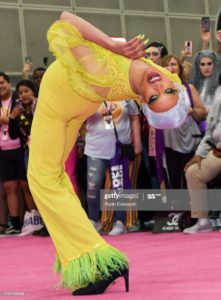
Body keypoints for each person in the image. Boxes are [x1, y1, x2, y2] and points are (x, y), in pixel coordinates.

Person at [27, 11, 190, 295]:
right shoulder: (158, 72)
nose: (157, 86)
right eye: (166, 90)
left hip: (58, 109)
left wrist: (112, 45)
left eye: (153, 98)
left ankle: (95, 255)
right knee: (55, 180)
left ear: (141, 101)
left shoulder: (104, 77)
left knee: (42, 179)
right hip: (73, 106)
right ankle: (87, 262)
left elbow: (66, 23)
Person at [162, 54, 206, 189]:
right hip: (169, 139)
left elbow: (203, 113)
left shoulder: (189, 88)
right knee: (173, 176)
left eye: (174, 64)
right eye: (166, 65)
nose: (170, 68)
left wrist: (192, 111)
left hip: (189, 138)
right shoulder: (157, 91)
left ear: (180, 68)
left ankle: (194, 207)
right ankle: (178, 207)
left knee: (190, 175)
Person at [183, 97, 221, 234]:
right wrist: (198, 155)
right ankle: (203, 221)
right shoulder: (218, 103)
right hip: (218, 151)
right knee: (193, 172)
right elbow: (209, 134)